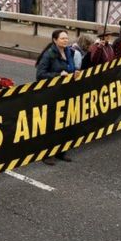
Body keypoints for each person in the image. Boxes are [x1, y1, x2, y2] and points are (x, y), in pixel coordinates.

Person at [35, 30, 76, 165]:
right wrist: (58, 75)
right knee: (50, 124)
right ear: (55, 40)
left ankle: (61, 151)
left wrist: (74, 72)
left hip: (65, 92)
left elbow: (70, 68)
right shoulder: (48, 55)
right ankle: (46, 154)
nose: (66, 40)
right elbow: (40, 74)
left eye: (67, 38)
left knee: (64, 122)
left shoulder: (69, 52)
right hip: (50, 94)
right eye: (62, 38)